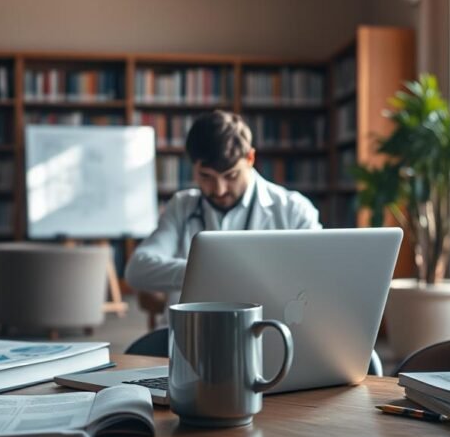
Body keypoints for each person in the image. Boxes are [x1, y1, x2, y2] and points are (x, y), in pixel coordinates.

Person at [125, 110, 322, 306]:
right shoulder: (181, 206)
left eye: (231, 176)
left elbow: (318, 275)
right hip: (188, 332)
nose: (219, 190)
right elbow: (137, 269)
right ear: (192, 166)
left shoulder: (294, 210)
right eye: (206, 176)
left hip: (266, 330)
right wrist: (206, 272)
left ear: (250, 158)